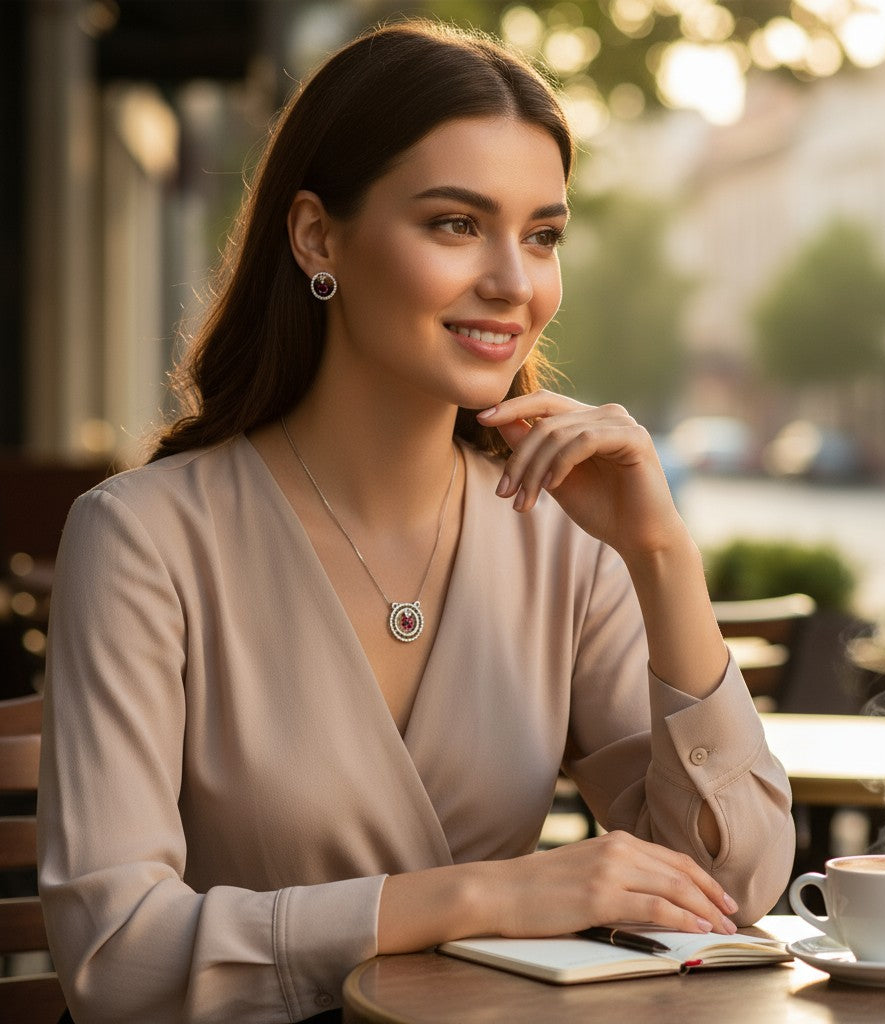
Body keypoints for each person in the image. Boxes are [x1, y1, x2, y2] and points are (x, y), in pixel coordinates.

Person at [37, 19, 795, 1024]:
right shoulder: (143, 539)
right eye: (453, 223)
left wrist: (659, 553)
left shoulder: (565, 542)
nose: (513, 284)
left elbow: (727, 894)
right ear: (317, 236)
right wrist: (485, 895)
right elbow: (115, 957)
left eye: (542, 235)